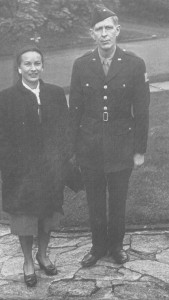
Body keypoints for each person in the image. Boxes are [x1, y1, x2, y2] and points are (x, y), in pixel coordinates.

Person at [68, 5, 150, 267]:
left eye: (108, 28)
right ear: (92, 34)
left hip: (121, 143)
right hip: (89, 143)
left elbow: (142, 111)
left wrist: (139, 150)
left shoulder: (135, 64)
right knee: (94, 200)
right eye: (98, 29)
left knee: (117, 200)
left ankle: (116, 246)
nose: (104, 34)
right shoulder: (81, 65)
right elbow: (75, 111)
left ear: (117, 31)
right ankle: (97, 247)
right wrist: (72, 150)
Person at [0, 45, 69, 287]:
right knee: (25, 218)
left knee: (47, 215)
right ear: (19, 68)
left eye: (37, 63)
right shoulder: (4, 99)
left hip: (50, 169)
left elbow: (64, 131)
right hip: (22, 173)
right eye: (28, 64)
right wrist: (9, 167)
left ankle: (43, 255)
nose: (33, 68)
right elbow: (0, 139)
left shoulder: (55, 94)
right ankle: (27, 261)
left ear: (43, 66)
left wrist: (62, 160)